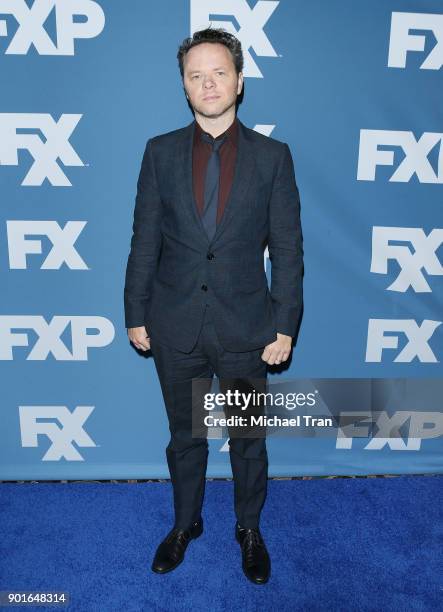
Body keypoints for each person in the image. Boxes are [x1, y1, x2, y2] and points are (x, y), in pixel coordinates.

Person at [124, 27, 303, 585]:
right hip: (174, 325)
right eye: (196, 74)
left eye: (219, 72)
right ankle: (185, 523)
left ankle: (248, 528)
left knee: (247, 439)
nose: (208, 83)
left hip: (247, 329)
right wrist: (135, 311)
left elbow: (289, 248)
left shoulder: (273, 157)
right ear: (183, 84)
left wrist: (284, 323)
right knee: (186, 437)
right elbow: (144, 240)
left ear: (240, 81)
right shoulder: (158, 152)